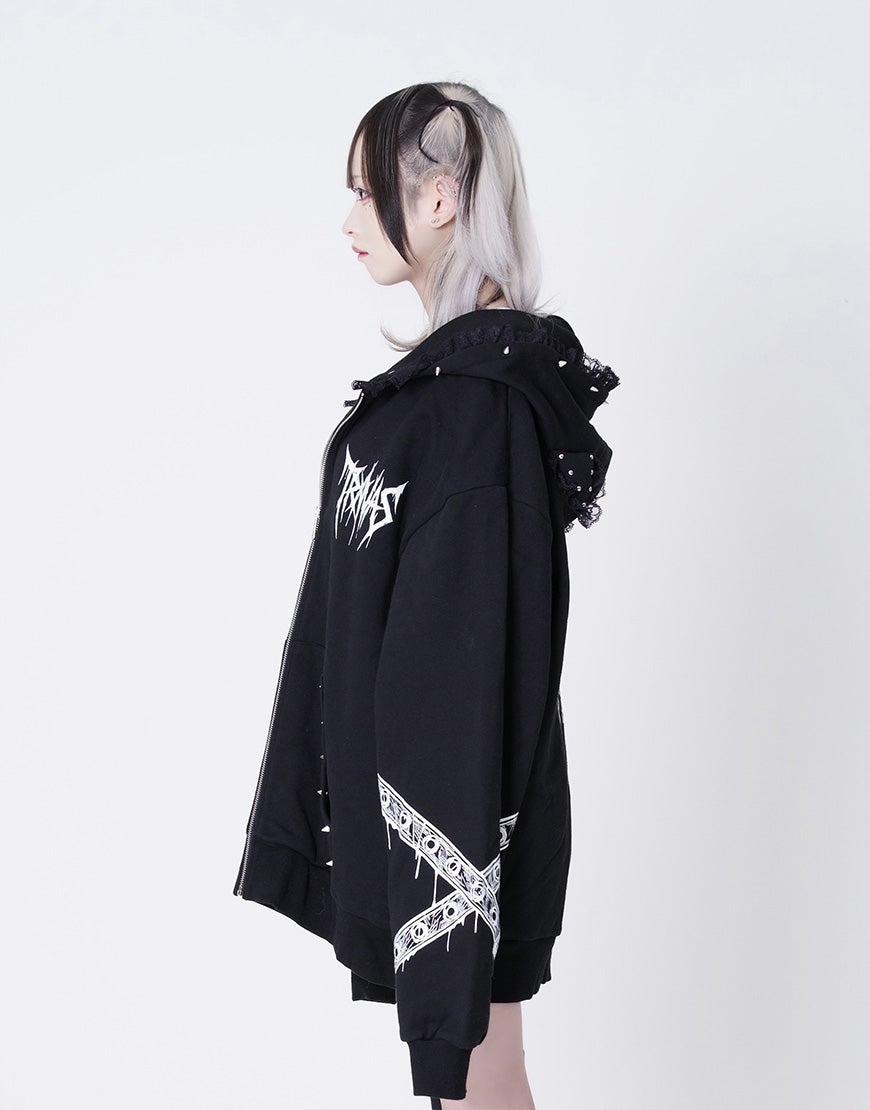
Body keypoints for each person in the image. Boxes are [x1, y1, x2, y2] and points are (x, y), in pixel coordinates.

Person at [232, 81, 621, 1109]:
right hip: (431, 823)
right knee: (484, 1080)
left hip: (453, 825)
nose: (350, 219)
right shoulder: (447, 394)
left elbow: (462, 662)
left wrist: (450, 882)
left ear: (440, 198)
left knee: (481, 1078)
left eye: (368, 191)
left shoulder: (478, 410)